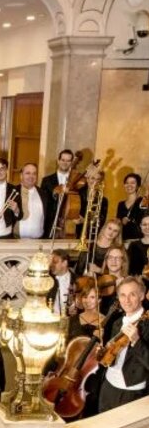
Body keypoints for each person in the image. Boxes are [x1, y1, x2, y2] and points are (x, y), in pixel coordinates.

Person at [98, 276, 149, 412]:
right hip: (108, 386)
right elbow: (113, 356)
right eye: (123, 295)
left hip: (131, 392)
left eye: (132, 295)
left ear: (142, 296)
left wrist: (137, 341)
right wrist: (104, 353)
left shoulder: (147, 324)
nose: (127, 300)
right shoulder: (117, 322)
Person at [15, 162, 49, 239]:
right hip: (16, 240)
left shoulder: (43, 194)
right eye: (28, 173)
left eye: (34, 173)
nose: (31, 176)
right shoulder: (12, 192)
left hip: (39, 241)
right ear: (21, 175)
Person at [117, 173, 144, 243]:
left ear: (137, 186)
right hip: (123, 241)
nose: (129, 185)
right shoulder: (120, 204)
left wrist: (131, 220)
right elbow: (117, 223)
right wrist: (121, 222)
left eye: (133, 183)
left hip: (139, 241)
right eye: (127, 183)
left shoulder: (143, 201)